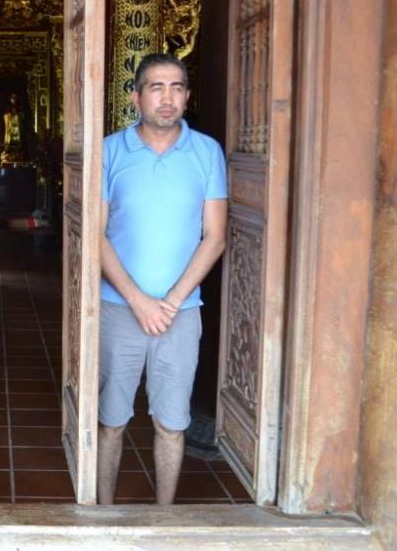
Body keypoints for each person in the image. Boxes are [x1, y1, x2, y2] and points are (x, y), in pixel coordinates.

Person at [97, 53, 227, 505]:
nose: (167, 98)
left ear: (187, 97)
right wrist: (138, 300)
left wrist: (169, 302)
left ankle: (164, 517)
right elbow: (93, 234)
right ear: (136, 97)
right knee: (111, 421)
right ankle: (103, 514)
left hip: (181, 314)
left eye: (176, 88)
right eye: (156, 87)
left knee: (172, 424)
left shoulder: (207, 153)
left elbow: (215, 236)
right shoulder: (109, 151)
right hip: (118, 308)